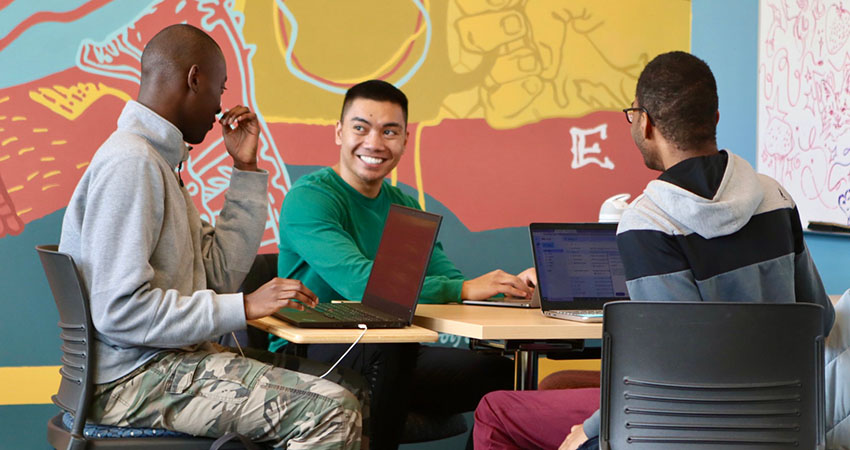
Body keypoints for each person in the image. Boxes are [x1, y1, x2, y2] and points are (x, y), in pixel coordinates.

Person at [473, 51, 836, 450]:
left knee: (497, 413)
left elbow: (665, 369)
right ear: (714, 119)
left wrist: (591, 429)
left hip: (675, 431)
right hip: (784, 429)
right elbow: (820, 319)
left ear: (644, 123)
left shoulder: (648, 222)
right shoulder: (775, 198)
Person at [59, 24, 368, 449]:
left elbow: (217, 275)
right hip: (132, 380)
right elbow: (119, 312)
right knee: (333, 410)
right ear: (194, 79)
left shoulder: (160, 162)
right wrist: (243, 307)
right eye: (219, 90)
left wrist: (244, 170)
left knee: (355, 388)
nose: (220, 106)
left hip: (165, 362)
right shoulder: (132, 163)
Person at [276, 79, 535, 449]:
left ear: (404, 141)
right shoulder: (310, 198)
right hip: (311, 351)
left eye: (389, 131)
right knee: (393, 343)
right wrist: (461, 289)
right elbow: (364, 286)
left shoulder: (405, 206)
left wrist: (512, 290)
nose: (374, 143)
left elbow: (450, 281)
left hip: (390, 353)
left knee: (502, 374)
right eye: (361, 128)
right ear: (338, 132)